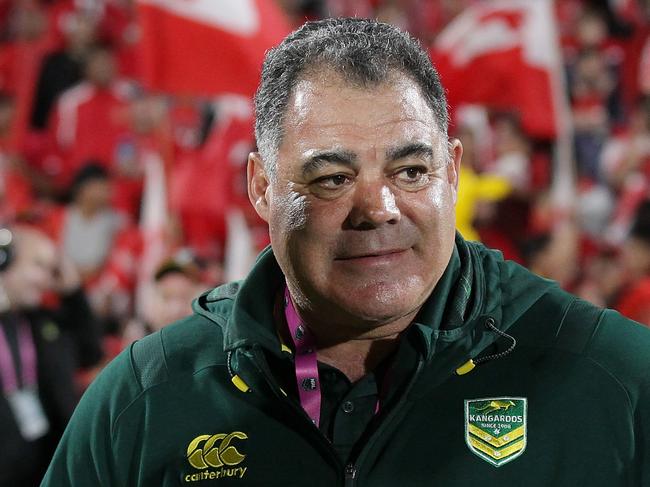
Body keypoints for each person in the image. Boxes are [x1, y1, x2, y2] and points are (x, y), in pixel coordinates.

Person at [43, 18, 650, 486]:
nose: (378, 206)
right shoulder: (147, 401)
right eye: (332, 178)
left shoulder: (612, 377)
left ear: (454, 172)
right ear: (261, 187)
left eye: (411, 170)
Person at [0, 226, 102, 486]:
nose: (46, 279)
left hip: (42, 470)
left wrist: (72, 291)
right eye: (38, 265)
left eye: (51, 269)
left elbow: (90, 352)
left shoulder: (41, 324)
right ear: (4, 260)